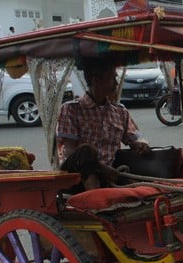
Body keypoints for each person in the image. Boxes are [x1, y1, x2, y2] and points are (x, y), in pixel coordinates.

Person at [57, 59, 150, 190]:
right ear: (96, 80)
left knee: (140, 189)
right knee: (86, 151)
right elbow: (69, 150)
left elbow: (133, 140)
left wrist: (141, 145)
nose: (116, 83)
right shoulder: (71, 109)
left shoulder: (120, 112)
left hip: (108, 174)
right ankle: (95, 197)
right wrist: (101, 167)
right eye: (112, 78)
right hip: (74, 176)